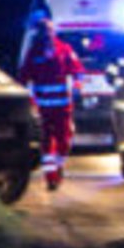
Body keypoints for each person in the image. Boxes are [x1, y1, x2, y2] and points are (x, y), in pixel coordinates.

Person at [17, 15, 84, 192]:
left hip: (63, 105)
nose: (47, 34)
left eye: (49, 30)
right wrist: (27, 100)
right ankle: (51, 177)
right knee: (46, 142)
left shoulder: (64, 50)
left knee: (64, 139)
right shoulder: (33, 53)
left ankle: (59, 165)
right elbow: (24, 78)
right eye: (44, 30)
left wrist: (77, 86)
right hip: (43, 107)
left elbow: (78, 71)